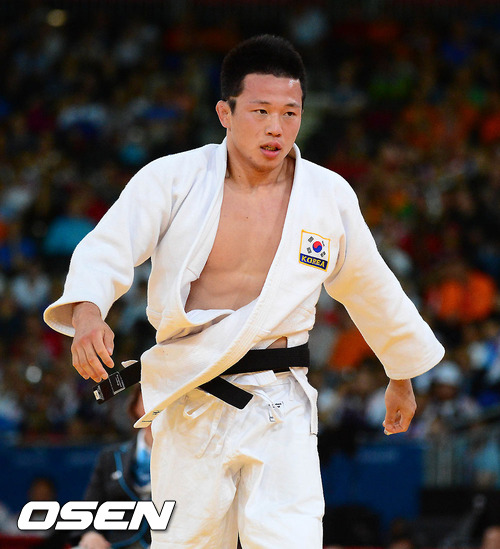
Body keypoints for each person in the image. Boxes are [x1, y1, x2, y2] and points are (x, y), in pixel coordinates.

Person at [44, 35, 444, 549]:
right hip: (190, 397)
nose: (276, 127)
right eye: (260, 111)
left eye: (290, 113)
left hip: (281, 401)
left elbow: (370, 286)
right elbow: (108, 248)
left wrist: (400, 374)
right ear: (225, 113)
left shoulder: (326, 195)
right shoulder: (172, 179)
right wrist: (87, 314)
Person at [72, 385, 152, 549]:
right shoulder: (110, 457)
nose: (155, 404)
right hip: (120, 544)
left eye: (162, 398)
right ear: (135, 406)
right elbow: (90, 508)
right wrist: (90, 533)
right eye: (148, 397)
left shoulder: (189, 456)